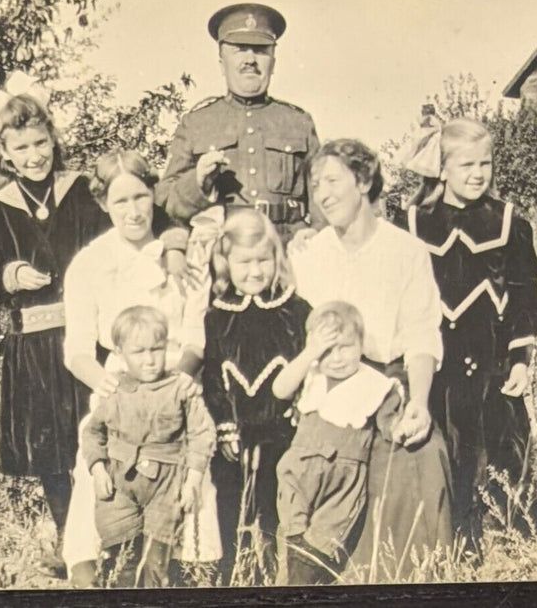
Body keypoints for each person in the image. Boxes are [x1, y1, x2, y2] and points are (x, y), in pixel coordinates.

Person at [289, 138, 453, 582]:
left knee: (422, 455)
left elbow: (421, 334)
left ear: (363, 181)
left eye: (332, 181)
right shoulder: (309, 256)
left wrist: (418, 401)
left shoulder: (406, 251)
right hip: (327, 390)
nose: (321, 194)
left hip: (388, 386)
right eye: (315, 184)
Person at [60, 149, 220, 586]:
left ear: (154, 194)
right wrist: (106, 383)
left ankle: (186, 569)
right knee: (99, 464)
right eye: (120, 202)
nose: (133, 211)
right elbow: (75, 349)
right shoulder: (90, 263)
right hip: (119, 384)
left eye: (140, 197)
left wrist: (180, 383)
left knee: (189, 471)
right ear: (103, 205)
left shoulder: (180, 253)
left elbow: (195, 334)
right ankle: (89, 569)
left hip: (176, 380)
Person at [0, 71, 109, 577]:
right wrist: (11, 274)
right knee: (51, 447)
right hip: (32, 346)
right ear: (5, 155)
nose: (34, 156)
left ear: (54, 138)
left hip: (84, 338)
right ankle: (67, 540)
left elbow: (108, 246)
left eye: (40, 143)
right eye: (21, 149)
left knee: (91, 436)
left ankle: (104, 536)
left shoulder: (80, 193)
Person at [403, 117, 537, 551]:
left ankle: (503, 535)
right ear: (442, 168)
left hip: (491, 364)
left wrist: (520, 358)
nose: (478, 173)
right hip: (436, 362)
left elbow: (524, 294)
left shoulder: (507, 222)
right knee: (440, 450)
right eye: (466, 165)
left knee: (496, 448)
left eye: (486, 163)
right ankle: (445, 539)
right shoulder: (411, 221)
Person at [200, 207, 311, 585]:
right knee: (231, 503)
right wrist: (225, 426)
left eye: (264, 260)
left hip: (281, 432)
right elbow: (213, 377)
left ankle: (280, 574)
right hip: (233, 436)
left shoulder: (294, 310)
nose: (255, 271)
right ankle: (235, 573)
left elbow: (306, 366)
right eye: (244, 262)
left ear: (277, 258)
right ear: (225, 262)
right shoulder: (216, 316)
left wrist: (299, 406)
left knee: (276, 504)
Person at [155, 3, 321, 239]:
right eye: (240, 49)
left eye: (261, 50)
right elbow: (167, 202)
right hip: (221, 250)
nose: (250, 59)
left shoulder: (298, 122)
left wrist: (316, 235)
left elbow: (324, 193)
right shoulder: (196, 123)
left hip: (288, 249)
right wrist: (197, 182)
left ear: (273, 61)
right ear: (222, 62)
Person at [81, 305, 215, 588]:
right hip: (120, 482)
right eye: (139, 352)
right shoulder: (114, 388)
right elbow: (93, 433)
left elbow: (201, 434)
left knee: (156, 562)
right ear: (119, 353)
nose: (150, 360)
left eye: (156, 349)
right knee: (121, 557)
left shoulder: (180, 387)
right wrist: (98, 469)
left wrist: (193, 478)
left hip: (165, 485)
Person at [272, 301, 402, 585]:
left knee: (322, 539)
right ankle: (291, 581)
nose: (337, 358)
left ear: (361, 344)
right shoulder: (311, 373)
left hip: (342, 478)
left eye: (346, 346)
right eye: (328, 350)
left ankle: (301, 582)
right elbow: (280, 389)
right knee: (292, 534)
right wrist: (310, 353)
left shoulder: (374, 383)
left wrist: (400, 426)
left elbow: (389, 421)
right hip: (299, 470)